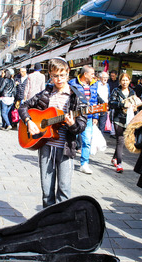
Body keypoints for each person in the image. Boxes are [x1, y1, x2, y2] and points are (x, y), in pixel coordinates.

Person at [18, 58, 87, 208]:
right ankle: (46, 222)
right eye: (55, 75)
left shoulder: (76, 96)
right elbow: (23, 107)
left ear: (68, 73)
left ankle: (61, 223)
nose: (59, 79)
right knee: (47, 191)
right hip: (46, 146)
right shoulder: (46, 93)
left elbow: (81, 125)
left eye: (62, 75)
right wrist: (29, 122)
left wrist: (72, 124)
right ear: (50, 74)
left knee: (64, 190)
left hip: (65, 148)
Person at [69, 65, 99, 175]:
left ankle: (84, 164)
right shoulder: (72, 83)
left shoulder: (94, 85)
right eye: (92, 74)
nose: (93, 76)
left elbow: (94, 101)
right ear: (85, 74)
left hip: (89, 118)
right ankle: (69, 160)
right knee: (72, 140)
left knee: (86, 141)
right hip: (74, 117)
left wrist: (95, 116)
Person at [108, 72, 136, 173]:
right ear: (120, 81)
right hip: (118, 118)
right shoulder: (116, 90)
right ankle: (119, 163)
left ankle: (114, 158)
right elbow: (111, 103)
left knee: (121, 141)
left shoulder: (132, 92)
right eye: (123, 80)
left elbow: (135, 102)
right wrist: (122, 104)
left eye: (126, 80)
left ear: (129, 81)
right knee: (120, 140)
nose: (125, 82)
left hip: (128, 118)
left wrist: (134, 106)